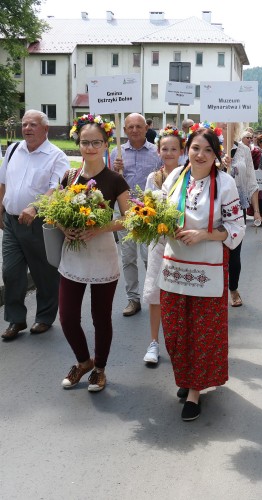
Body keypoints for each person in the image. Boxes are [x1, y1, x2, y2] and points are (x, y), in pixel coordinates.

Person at [158, 124, 245, 421]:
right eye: (196, 148)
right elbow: (159, 214)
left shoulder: (224, 183)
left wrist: (203, 235)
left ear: (217, 154)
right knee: (175, 328)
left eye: (208, 150)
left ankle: (195, 389)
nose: (201, 154)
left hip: (207, 267)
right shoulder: (174, 177)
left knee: (202, 330)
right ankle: (186, 375)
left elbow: (236, 227)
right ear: (187, 150)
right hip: (174, 265)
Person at [59, 115, 130, 392]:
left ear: (106, 144)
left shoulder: (115, 180)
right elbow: (54, 211)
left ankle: (99, 369)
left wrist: (101, 228)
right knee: (66, 317)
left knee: (101, 317)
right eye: (84, 142)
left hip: (102, 254)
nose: (89, 147)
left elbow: (129, 218)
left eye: (96, 142)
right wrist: (65, 227)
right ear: (78, 143)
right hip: (73, 254)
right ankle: (83, 361)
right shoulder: (69, 176)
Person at [0, 110, 69, 341]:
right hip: (11, 221)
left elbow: (56, 188)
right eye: (24, 124)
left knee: (44, 273)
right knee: (10, 272)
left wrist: (36, 207)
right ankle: (16, 319)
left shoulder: (56, 156)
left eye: (33, 124)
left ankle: (45, 317)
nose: (27, 128)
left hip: (39, 223)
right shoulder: (12, 149)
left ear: (45, 129)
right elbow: (3, 182)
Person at [111, 113, 162, 316]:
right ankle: (133, 299)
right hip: (124, 210)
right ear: (124, 130)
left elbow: (163, 178)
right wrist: (115, 171)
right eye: (130, 127)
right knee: (128, 257)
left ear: (146, 128)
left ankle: (155, 296)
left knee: (150, 256)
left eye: (138, 126)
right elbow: (108, 181)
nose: (134, 130)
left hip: (148, 210)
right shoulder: (117, 153)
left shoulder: (156, 153)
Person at [142, 126, 185, 364]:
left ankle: (179, 343)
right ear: (158, 151)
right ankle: (153, 342)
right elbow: (147, 208)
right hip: (159, 242)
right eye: (164, 149)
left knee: (179, 293)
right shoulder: (153, 178)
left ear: (181, 151)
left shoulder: (189, 176)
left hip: (182, 242)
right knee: (155, 292)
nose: (169, 153)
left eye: (173, 149)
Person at [224, 129, 262, 307]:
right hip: (213, 209)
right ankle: (214, 290)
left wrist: (256, 210)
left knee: (235, 254)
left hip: (237, 209)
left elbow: (251, 180)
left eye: (228, 123)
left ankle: (233, 288)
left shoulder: (243, 150)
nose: (225, 126)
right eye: (221, 122)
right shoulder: (209, 145)